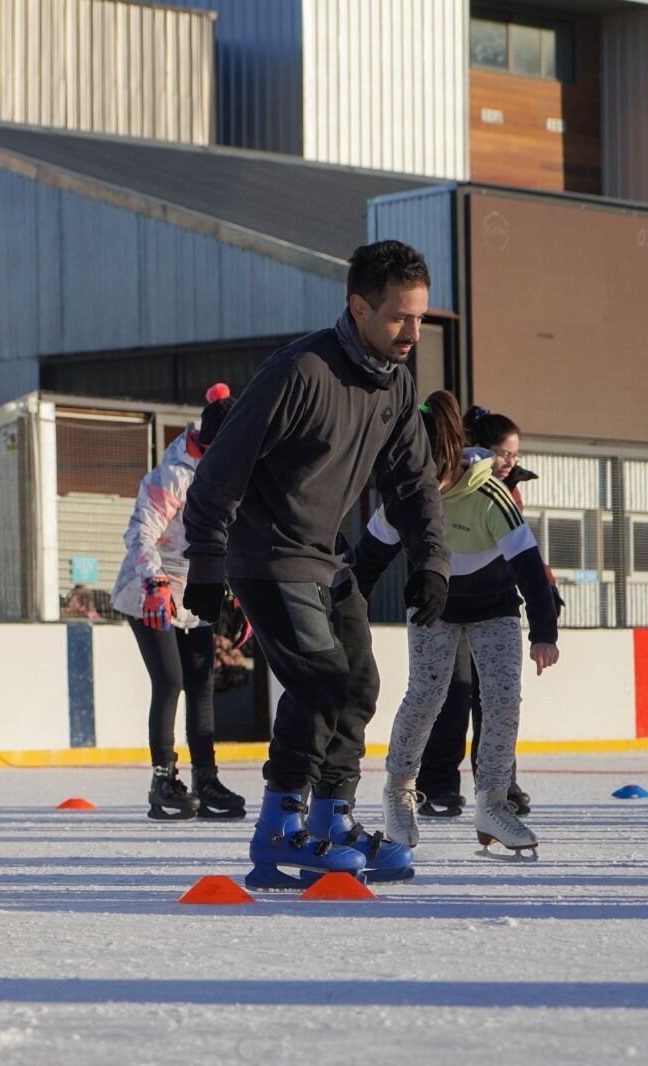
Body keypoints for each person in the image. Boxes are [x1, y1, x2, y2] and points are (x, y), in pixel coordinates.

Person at [181, 240, 449, 888]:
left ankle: (332, 824)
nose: (413, 332)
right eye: (398, 318)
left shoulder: (395, 383)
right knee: (320, 683)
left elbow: (412, 483)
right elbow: (221, 468)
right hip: (267, 554)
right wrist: (208, 564)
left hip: (325, 559)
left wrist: (432, 560)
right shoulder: (301, 371)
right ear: (358, 307)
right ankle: (278, 831)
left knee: (357, 686)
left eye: (420, 317)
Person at [356, 391, 559, 856]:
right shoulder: (407, 495)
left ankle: (491, 800)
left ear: (450, 460)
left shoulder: (492, 497)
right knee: (426, 695)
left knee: (503, 699)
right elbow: (366, 562)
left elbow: (530, 567)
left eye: (436, 476)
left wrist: (545, 632)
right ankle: (398, 792)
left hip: (494, 608)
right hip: (434, 607)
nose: (428, 488)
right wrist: (345, 612)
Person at [111, 384, 247, 821]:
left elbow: (232, 536)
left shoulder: (229, 470)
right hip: (150, 591)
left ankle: (206, 778)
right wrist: (155, 585)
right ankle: (162, 780)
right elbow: (140, 533)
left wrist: (241, 596)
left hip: (197, 589)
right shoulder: (174, 474)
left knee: (202, 683)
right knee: (170, 682)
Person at [416, 405, 552, 818]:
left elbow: (521, 553)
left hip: (494, 606)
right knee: (450, 696)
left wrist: (544, 593)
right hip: (447, 605)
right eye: (503, 453)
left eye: (515, 454)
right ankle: (436, 784)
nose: (511, 462)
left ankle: (497, 784)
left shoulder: (507, 490)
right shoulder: (451, 485)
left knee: (496, 700)